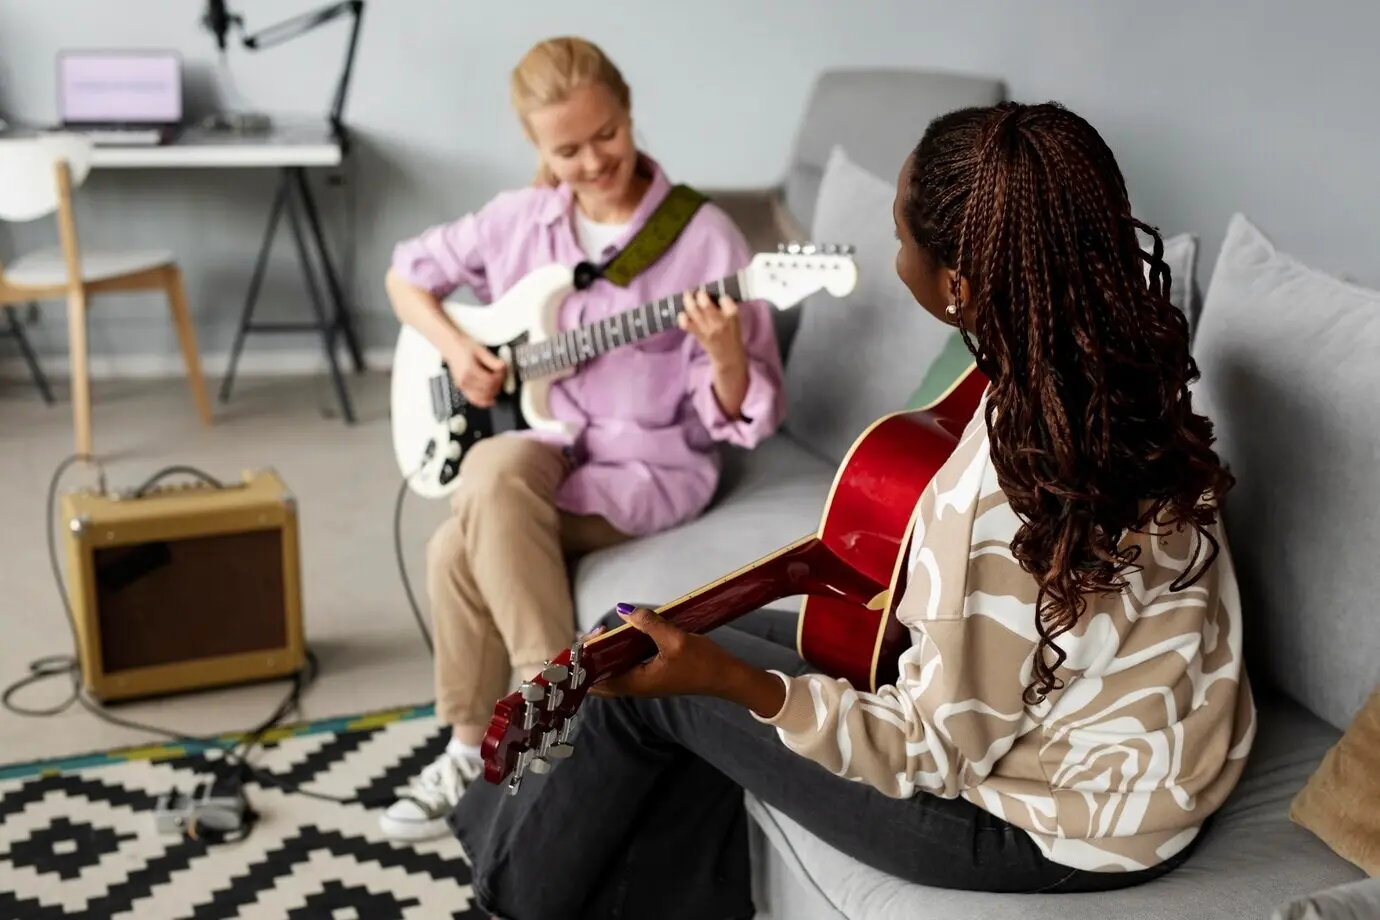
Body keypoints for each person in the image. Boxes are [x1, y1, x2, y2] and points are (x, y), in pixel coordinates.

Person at [446, 101, 1259, 918]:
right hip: (1145, 766)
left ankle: (500, 900)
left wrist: (728, 683)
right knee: (656, 639)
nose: (894, 252)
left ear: (959, 289)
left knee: (658, 684)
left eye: (901, 237)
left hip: (1050, 827)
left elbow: (927, 749)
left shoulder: (1007, 490)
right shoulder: (1117, 369)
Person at [379, 36, 785, 842]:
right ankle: (541, 705)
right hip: (539, 449)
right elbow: (405, 274)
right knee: (490, 482)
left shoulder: (703, 239)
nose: (594, 160)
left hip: (643, 468)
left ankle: (481, 737)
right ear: (537, 148)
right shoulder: (520, 221)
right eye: (566, 150)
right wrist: (461, 350)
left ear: (628, 113)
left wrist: (727, 353)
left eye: (607, 135)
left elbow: (740, 416)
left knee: (454, 548)